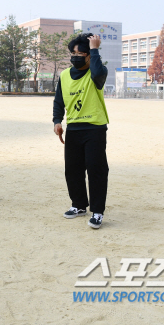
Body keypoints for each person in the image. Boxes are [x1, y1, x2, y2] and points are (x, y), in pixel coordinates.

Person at [53, 33, 109, 229]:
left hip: (95, 128)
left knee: (96, 170)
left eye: (80, 53)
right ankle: (78, 205)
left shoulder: (97, 71)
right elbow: (58, 100)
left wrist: (95, 49)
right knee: (73, 170)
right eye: (73, 53)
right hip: (74, 128)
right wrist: (57, 121)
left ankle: (97, 212)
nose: (75, 57)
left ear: (89, 56)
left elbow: (98, 74)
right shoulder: (64, 75)